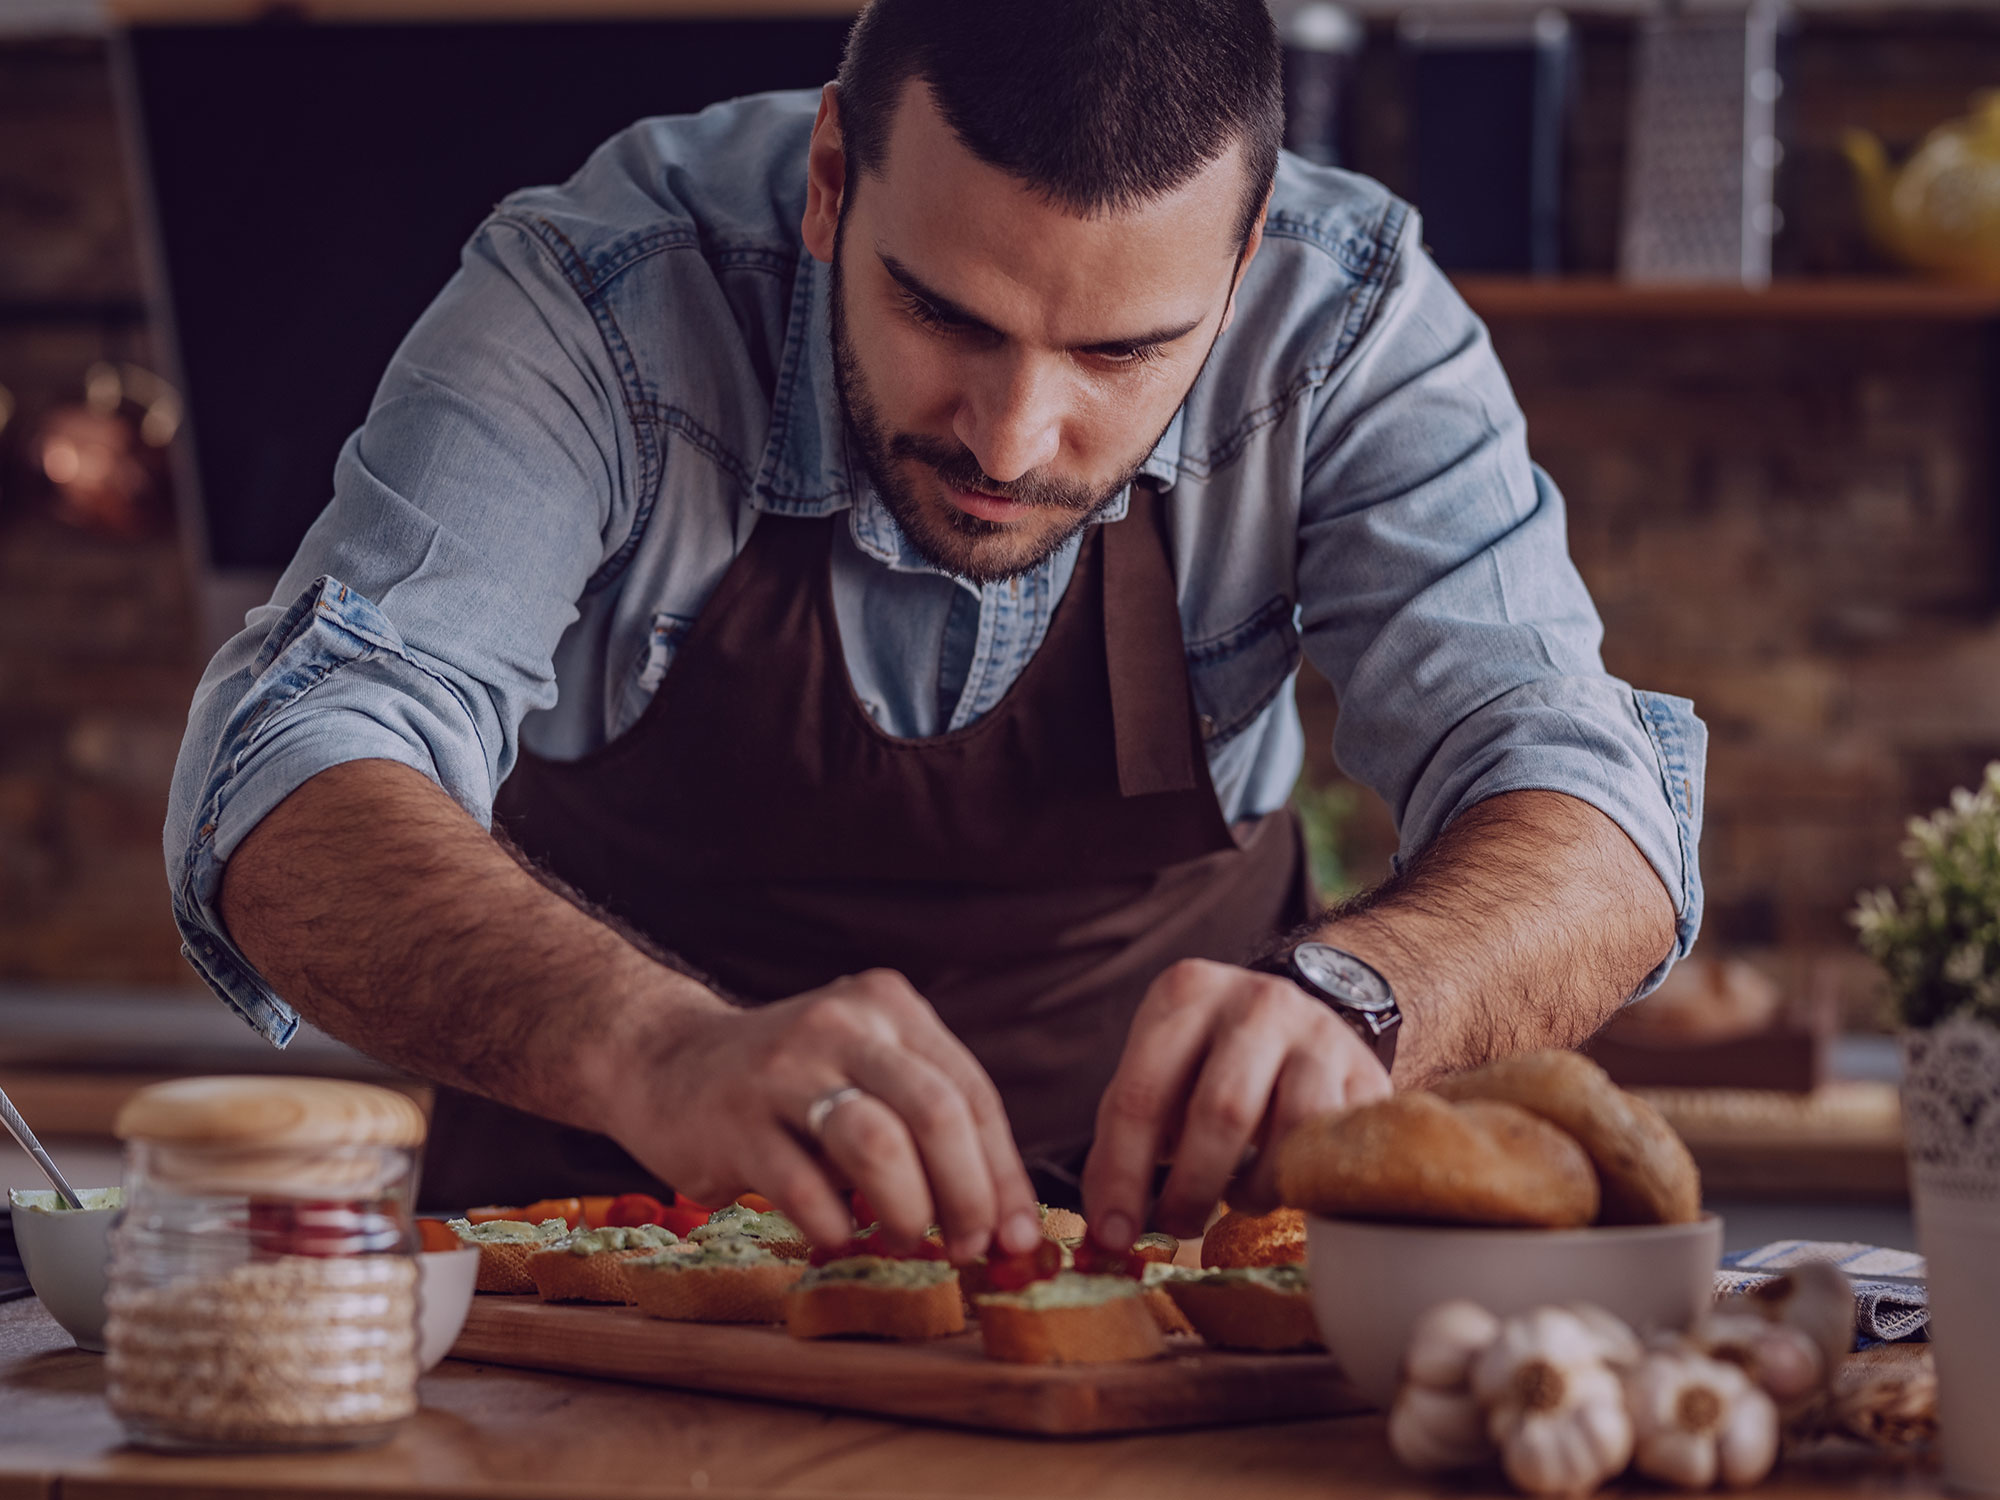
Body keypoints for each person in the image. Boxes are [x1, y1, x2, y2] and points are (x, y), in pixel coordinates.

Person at [165, 0, 1705, 1263]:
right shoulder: (601, 291)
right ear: (834, 173)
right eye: (947, 316)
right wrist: (653, 1053)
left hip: (1165, 1285)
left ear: (1237, 275)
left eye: (1119, 351)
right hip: (601, 1270)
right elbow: (292, 755)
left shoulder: (1350, 316)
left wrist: (1366, 1000)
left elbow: (1593, 807)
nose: (1018, 437)